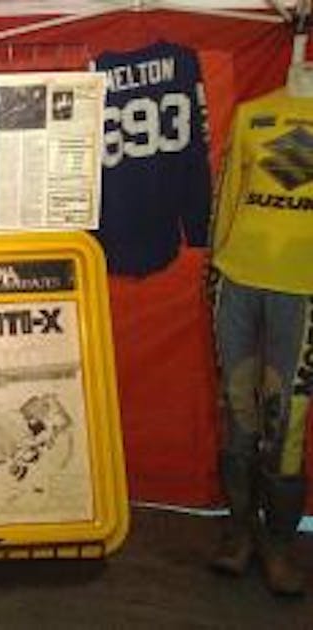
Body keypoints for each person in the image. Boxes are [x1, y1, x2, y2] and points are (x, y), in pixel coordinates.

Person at [207, 62, 313, 596]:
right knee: (238, 406)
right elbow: (227, 197)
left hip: (303, 288)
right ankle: (240, 532)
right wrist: (216, 265)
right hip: (238, 280)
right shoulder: (252, 115)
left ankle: (279, 544)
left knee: (286, 416)